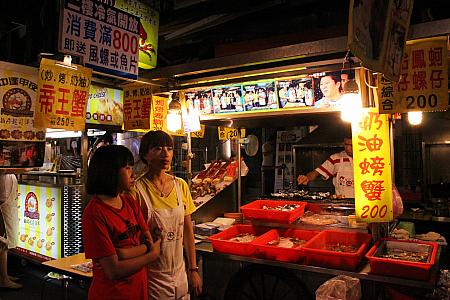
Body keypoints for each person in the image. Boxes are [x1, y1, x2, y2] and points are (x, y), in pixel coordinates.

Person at [130, 130, 202, 300]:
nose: (166, 154)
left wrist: (193, 269)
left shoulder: (180, 186)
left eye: (169, 149)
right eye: (158, 149)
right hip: (152, 275)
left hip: (180, 272)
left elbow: (187, 231)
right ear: (145, 155)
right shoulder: (136, 191)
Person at [82, 145, 161, 300]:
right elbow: (113, 270)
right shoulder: (94, 213)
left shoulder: (130, 202)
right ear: (110, 172)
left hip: (139, 291)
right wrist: (150, 255)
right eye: (127, 168)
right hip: (112, 294)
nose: (134, 173)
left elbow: (148, 241)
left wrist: (122, 253)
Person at [0, 171, 22, 289]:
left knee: (4, 243)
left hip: (5, 197)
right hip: (3, 199)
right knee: (3, 242)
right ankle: (3, 279)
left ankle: (3, 275)